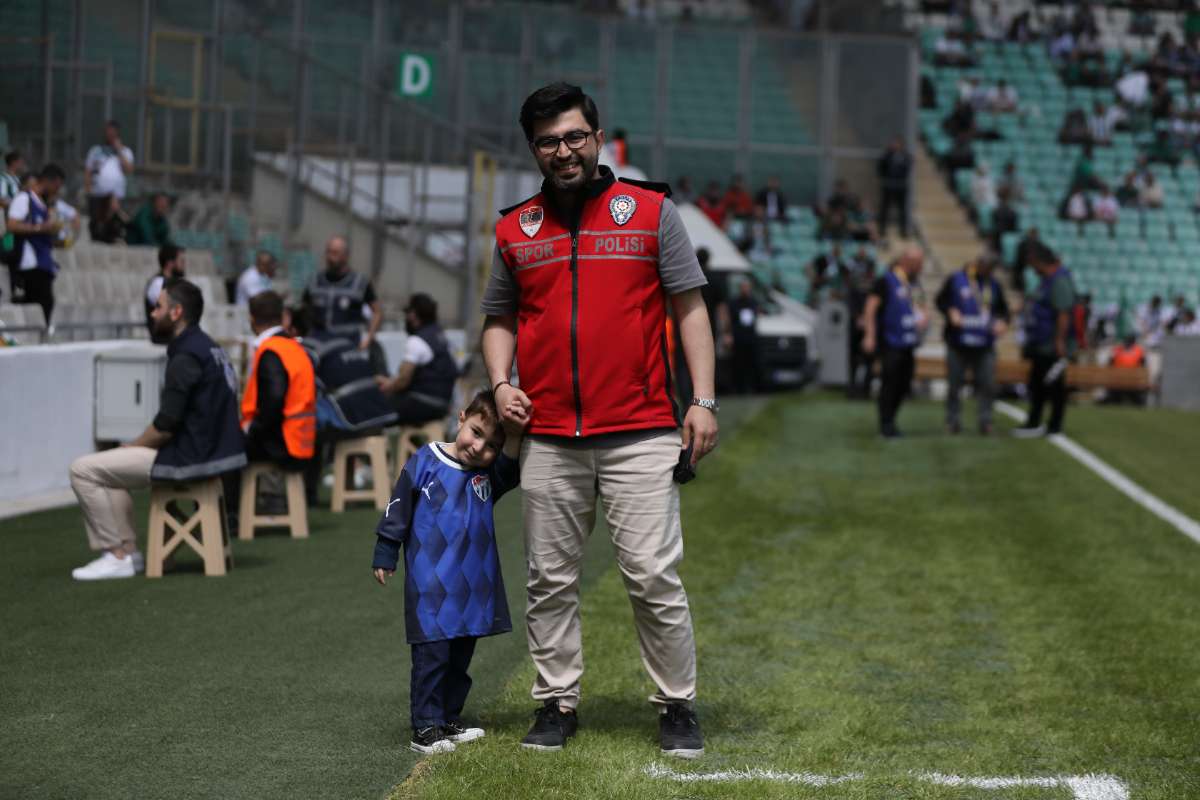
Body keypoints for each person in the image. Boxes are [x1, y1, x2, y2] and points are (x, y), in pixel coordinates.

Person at [480, 82, 717, 758]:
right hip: (549, 437)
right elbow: (498, 319)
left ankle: (676, 705)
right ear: (534, 150)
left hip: (642, 430)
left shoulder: (651, 212)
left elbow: (690, 308)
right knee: (548, 580)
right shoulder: (514, 228)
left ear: (598, 138)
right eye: (548, 142)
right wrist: (501, 384)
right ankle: (556, 702)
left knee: (652, 576)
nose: (564, 151)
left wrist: (702, 400)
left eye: (575, 137)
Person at [372, 390, 526, 754]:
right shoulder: (425, 461)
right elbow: (398, 507)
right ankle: (425, 727)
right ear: (461, 418)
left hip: (471, 587)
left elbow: (509, 468)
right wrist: (386, 550)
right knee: (432, 657)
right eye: (476, 432)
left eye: (491, 445)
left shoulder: (486, 475)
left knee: (459, 658)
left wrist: (515, 435)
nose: (479, 447)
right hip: (431, 586)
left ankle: (447, 718)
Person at [67, 279, 246, 580]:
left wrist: (134, 446)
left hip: (189, 457)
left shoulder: (186, 355)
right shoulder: (209, 347)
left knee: (83, 470)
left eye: (158, 307)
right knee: (111, 469)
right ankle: (129, 554)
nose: (152, 313)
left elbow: (166, 425)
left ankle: (116, 555)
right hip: (217, 453)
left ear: (176, 312)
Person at [936, 253, 1010, 435]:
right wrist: (950, 311)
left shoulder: (993, 285)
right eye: (986, 267)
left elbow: (1004, 310)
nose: (988, 271)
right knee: (955, 384)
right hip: (958, 342)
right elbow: (940, 301)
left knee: (987, 383)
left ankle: (986, 421)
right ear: (978, 264)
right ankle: (952, 420)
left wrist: (1003, 322)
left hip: (984, 343)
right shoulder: (956, 280)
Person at [242, 290, 316, 469]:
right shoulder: (294, 347)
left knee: (224, 454)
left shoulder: (271, 351)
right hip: (303, 441)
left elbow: (273, 401)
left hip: (283, 444)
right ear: (282, 317)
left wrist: (252, 430)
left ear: (252, 318)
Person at [861, 245, 927, 438]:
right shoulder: (886, 281)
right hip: (890, 342)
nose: (921, 267)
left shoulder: (914, 284)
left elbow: (920, 306)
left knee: (904, 384)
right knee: (889, 383)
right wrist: (869, 335)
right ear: (907, 261)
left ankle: (892, 420)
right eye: (918, 263)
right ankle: (886, 424)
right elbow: (870, 308)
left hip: (908, 342)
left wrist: (924, 316)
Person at [1013, 242, 1077, 437]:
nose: (1032, 268)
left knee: (1053, 385)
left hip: (1051, 345)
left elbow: (1063, 313)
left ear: (1040, 261)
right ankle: (1034, 421)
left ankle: (1054, 425)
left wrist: (1059, 341)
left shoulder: (1059, 280)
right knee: (1037, 384)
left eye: (1032, 263)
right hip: (1040, 342)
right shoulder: (1046, 280)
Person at [376, 293, 458, 425]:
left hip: (423, 403)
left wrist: (387, 386)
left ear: (413, 315)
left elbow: (403, 381)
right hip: (443, 403)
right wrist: (390, 382)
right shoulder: (439, 334)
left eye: (408, 312)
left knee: (375, 408)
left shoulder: (417, 340)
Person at [5, 163, 66, 324]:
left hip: (43, 261)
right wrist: (40, 228)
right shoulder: (24, 199)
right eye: (56, 186)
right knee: (42, 302)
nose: (57, 191)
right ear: (48, 181)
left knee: (43, 303)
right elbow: (12, 225)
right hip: (30, 262)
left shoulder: (44, 205)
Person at [302, 235, 382, 349]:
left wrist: (368, 339)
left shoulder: (359, 282)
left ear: (345, 256)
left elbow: (377, 312)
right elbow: (304, 308)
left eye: (335, 253)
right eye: (328, 252)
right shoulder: (314, 281)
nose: (330, 257)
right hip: (317, 344)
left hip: (347, 347)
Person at [84, 120, 134, 243]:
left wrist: (119, 150)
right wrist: (88, 189)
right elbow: (88, 170)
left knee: (112, 217)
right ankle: (97, 236)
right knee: (96, 220)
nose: (110, 135)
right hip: (97, 192)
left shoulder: (126, 151)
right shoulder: (95, 150)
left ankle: (112, 235)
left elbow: (129, 169)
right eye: (108, 132)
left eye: (113, 132)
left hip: (116, 193)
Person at [728, 278, 761, 394]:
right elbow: (731, 320)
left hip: (751, 338)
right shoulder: (734, 303)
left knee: (751, 363)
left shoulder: (753, 302)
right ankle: (738, 387)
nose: (745, 289)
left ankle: (751, 386)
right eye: (743, 287)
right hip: (739, 338)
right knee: (738, 363)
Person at [144, 244, 186, 334]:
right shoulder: (158, 283)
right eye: (181, 261)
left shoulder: (174, 283)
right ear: (170, 263)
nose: (183, 265)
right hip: (164, 339)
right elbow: (166, 314)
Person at [878, 139, 912, 242]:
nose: (895, 145)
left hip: (900, 186)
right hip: (888, 185)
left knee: (902, 209)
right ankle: (882, 229)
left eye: (897, 144)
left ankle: (903, 230)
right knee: (885, 208)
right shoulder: (887, 155)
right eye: (894, 143)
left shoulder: (905, 156)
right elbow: (881, 167)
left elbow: (907, 168)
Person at [1106, 334, 1146, 404]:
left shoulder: (1138, 350)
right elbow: (1110, 363)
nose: (1128, 343)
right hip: (1118, 379)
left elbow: (1142, 364)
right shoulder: (1117, 349)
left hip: (1132, 380)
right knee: (1116, 392)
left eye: (1129, 341)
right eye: (1127, 341)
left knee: (1135, 394)